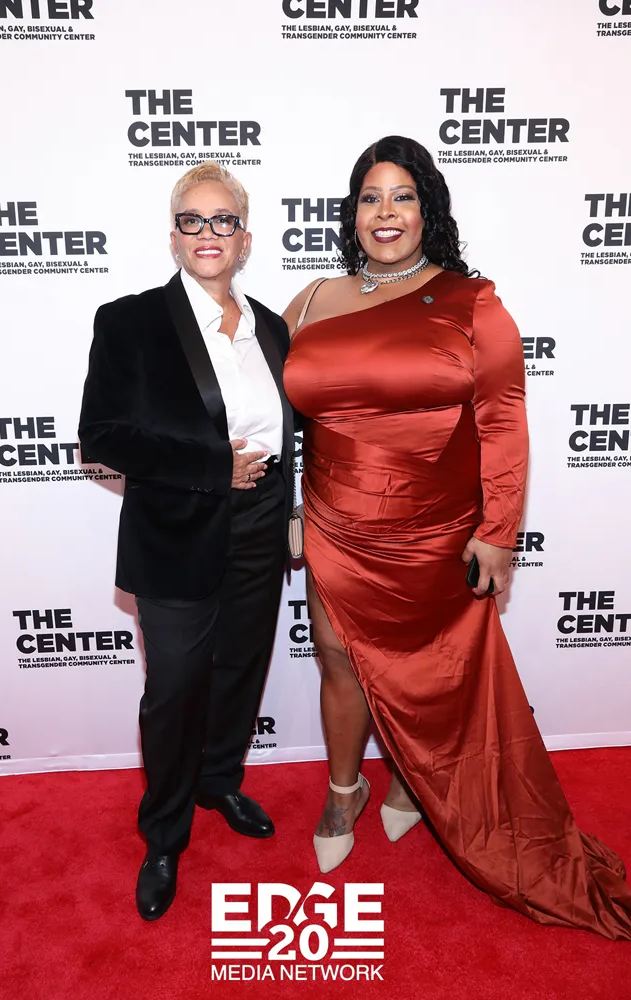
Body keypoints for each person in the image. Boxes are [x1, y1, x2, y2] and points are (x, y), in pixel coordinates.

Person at [283, 135, 631, 939]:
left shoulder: (473, 302)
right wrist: (277, 505)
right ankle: (344, 792)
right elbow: (278, 411)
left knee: (435, 675)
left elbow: (503, 421)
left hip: (432, 531)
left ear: (427, 210)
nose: (385, 212)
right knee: (336, 657)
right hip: (334, 521)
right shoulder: (310, 300)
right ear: (351, 213)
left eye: (402, 196)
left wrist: (498, 531)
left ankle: (413, 784)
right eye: (370, 197)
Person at [79, 162, 294, 921]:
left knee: (240, 668)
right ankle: (164, 836)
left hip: (261, 525)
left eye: (223, 220)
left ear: (244, 239)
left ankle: (218, 781)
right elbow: (102, 436)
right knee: (173, 691)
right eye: (192, 220)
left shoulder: (272, 328)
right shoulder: (130, 321)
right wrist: (211, 467)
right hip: (175, 533)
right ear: (174, 237)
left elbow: (290, 433)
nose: (208, 233)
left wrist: (292, 507)